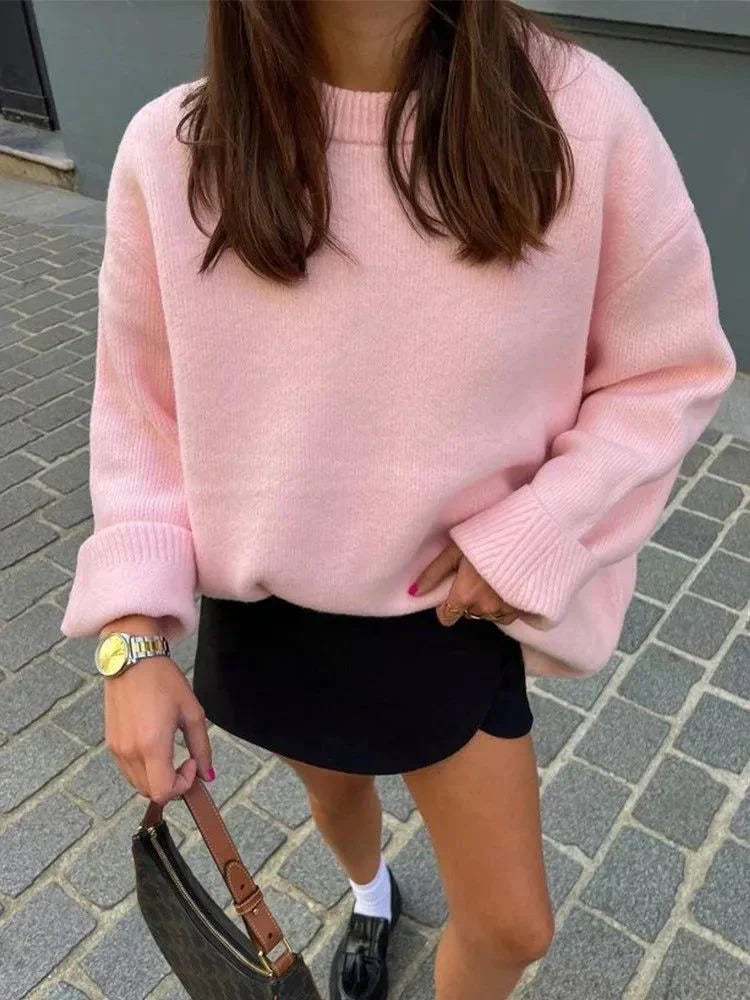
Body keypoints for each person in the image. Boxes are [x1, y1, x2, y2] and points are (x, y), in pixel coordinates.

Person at [60, 2, 736, 998]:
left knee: (511, 923)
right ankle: (370, 893)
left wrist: (542, 528)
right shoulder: (173, 149)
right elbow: (141, 417)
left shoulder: (578, 118)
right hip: (272, 606)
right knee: (338, 798)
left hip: (450, 609)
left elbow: (668, 370)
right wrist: (132, 637)